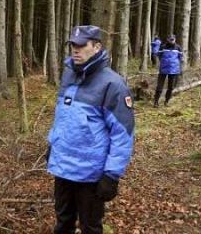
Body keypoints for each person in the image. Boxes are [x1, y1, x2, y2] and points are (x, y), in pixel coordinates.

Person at [46, 25, 135, 234]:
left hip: (91, 174)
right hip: (63, 167)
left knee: (91, 227)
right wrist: (53, 144)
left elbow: (123, 133)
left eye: (81, 45)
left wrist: (112, 174)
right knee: (63, 223)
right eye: (72, 45)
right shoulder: (68, 75)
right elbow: (63, 117)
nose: (75, 50)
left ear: (96, 47)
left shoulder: (113, 84)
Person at [153, 34, 183, 107]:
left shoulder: (178, 48)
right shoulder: (163, 47)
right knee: (159, 86)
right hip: (163, 69)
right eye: (170, 39)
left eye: (173, 39)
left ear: (175, 39)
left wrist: (178, 68)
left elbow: (180, 58)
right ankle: (156, 102)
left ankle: (166, 101)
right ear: (167, 39)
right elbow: (158, 55)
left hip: (174, 70)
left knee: (171, 87)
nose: (172, 41)